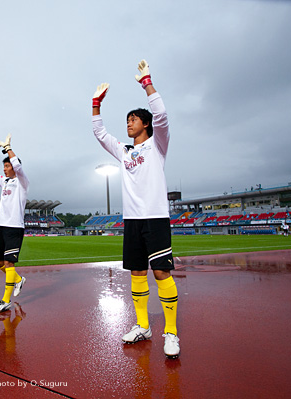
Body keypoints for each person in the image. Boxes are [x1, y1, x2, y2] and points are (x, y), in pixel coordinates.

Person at [91, 60, 180, 358]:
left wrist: (147, 83)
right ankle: (143, 325)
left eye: (133, 120)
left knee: (161, 273)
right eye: (127, 120)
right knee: (138, 273)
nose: (128, 124)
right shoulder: (124, 152)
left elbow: (163, 116)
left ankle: (171, 332)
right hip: (132, 220)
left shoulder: (157, 145)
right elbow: (101, 135)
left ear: (144, 124)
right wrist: (95, 105)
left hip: (155, 218)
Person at [0, 135, 28, 313]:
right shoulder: (4, 181)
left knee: (9, 264)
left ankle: (5, 300)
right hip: (2, 226)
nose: (5, 168)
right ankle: (18, 280)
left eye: (7, 165)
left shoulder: (22, 182)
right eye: (4, 166)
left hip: (14, 227)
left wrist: (8, 148)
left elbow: (17, 165)